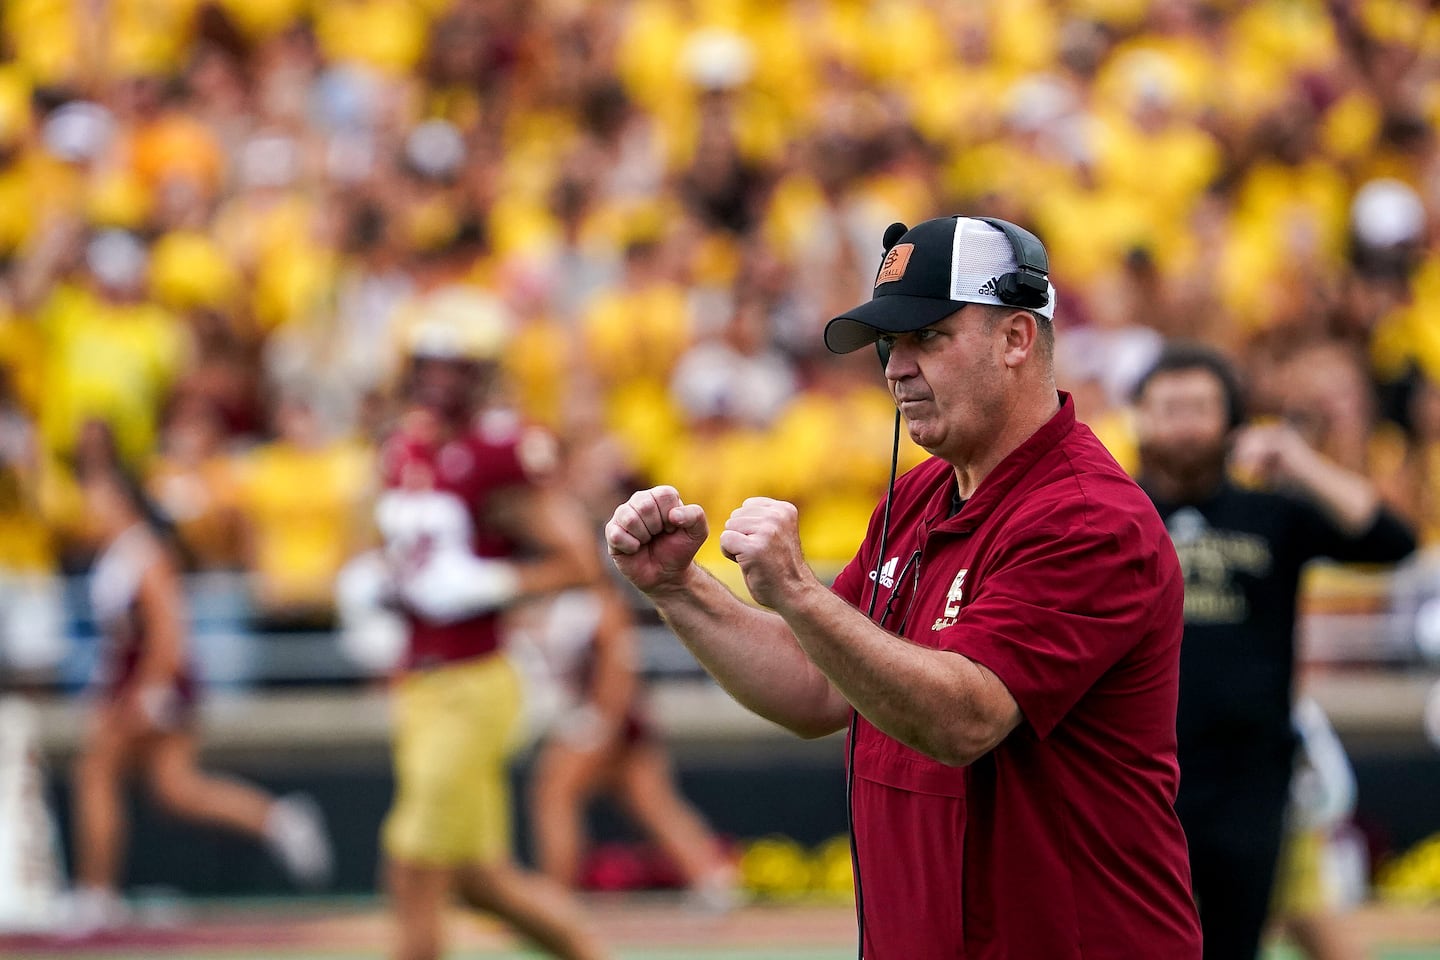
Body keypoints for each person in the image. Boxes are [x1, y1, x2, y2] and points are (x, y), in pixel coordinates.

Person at [605, 216, 1203, 958]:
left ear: (1018, 339)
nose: (895, 368)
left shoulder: (1090, 519)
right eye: (890, 343)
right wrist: (682, 589)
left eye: (929, 337)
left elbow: (965, 722)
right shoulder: (920, 495)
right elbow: (818, 686)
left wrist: (799, 591)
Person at [1132, 342, 1416, 960]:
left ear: (1231, 422)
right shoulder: (1115, 512)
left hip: (1250, 779)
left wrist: (1298, 460)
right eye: (1168, 407)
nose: (1183, 423)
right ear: (1141, 420)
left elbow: (1392, 541)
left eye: (1200, 407)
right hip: (1140, 775)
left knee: (1235, 945)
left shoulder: (1272, 512)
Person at [371, 310, 610, 960]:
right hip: (420, 681)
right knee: (480, 882)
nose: (442, 382)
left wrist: (493, 582)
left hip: (473, 681)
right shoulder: (406, 447)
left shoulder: (498, 454)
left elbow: (578, 564)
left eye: (458, 368)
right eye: (432, 365)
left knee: (413, 863)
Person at [68, 457, 331, 933]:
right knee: (175, 789)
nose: (90, 504)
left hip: (152, 686)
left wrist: (149, 691)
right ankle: (277, 818)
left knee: (95, 773)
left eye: (99, 493)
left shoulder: (144, 552)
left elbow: (168, 628)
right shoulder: (120, 552)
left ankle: (96, 893)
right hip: (138, 684)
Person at [517, 578, 739, 911]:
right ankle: (711, 878)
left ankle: (557, 896)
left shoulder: (600, 604)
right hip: (598, 717)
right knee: (650, 802)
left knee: (554, 796)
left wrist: (598, 726)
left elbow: (619, 671)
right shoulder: (558, 602)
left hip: (609, 720)